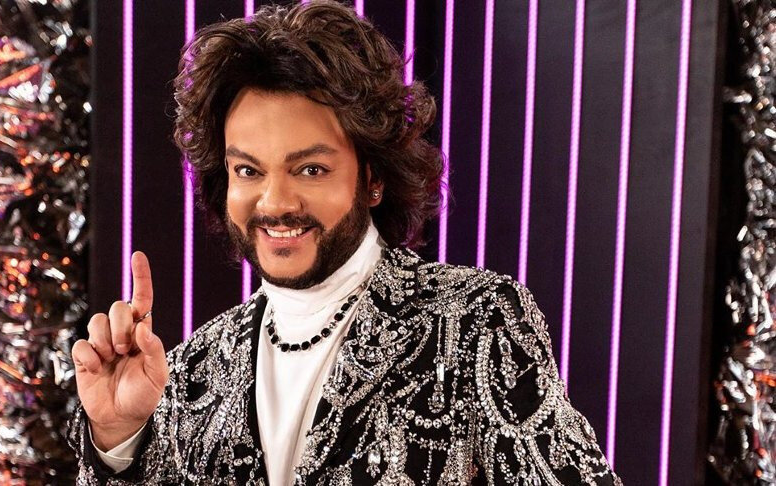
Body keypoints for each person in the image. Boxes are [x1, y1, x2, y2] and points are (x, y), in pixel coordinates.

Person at [67, 2, 622, 484]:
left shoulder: (472, 323)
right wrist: (119, 439)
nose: (275, 202)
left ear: (373, 177)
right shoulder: (193, 369)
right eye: (248, 170)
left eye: (310, 169)